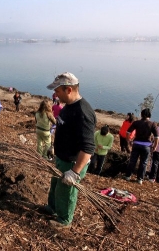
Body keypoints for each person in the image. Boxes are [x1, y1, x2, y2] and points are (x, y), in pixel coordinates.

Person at [45, 72, 96, 230]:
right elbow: (62, 129)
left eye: (57, 91)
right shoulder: (68, 106)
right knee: (55, 186)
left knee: (66, 192)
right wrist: (54, 147)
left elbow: (88, 148)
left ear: (68, 90)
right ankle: (53, 208)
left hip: (73, 163)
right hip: (61, 157)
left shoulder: (83, 113)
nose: (55, 94)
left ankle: (64, 220)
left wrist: (74, 172)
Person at [124, 108, 159, 185]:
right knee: (144, 163)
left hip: (136, 144)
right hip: (146, 146)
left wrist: (129, 141)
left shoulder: (136, 123)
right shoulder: (152, 124)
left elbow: (128, 132)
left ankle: (128, 176)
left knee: (132, 161)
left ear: (141, 114)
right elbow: (156, 137)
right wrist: (155, 146)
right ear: (149, 115)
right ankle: (140, 179)